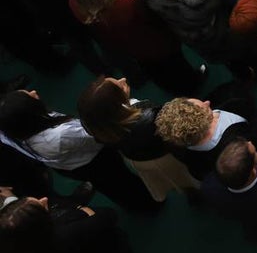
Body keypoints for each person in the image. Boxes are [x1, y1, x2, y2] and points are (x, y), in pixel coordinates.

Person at [0, 89, 159, 213]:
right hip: (96, 162)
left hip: (75, 164)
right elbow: (95, 133)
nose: (34, 92)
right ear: (30, 113)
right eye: (29, 97)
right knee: (122, 183)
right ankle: (147, 205)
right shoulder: (60, 136)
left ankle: (137, 204)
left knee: (112, 187)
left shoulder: (22, 132)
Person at [67, 0, 204, 95]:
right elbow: (155, 19)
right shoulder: (129, 2)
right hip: (160, 46)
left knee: (159, 76)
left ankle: (176, 91)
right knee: (178, 68)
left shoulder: (77, 5)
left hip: (135, 53)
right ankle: (192, 85)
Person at [0, 195, 173, 253]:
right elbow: (108, 215)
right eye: (40, 205)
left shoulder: (17, 248)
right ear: (39, 225)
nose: (44, 199)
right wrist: (83, 210)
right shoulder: (68, 232)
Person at [76, 76, 198, 202]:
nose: (123, 79)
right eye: (119, 86)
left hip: (139, 160)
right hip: (165, 157)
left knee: (174, 180)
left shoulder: (99, 126)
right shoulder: (150, 117)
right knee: (185, 174)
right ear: (117, 103)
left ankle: (189, 192)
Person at [154, 85, 257, 180]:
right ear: (204, 125)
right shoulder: (236, 139)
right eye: (205, 108)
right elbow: (255, 133)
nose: (207, 102)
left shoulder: (180, 146)